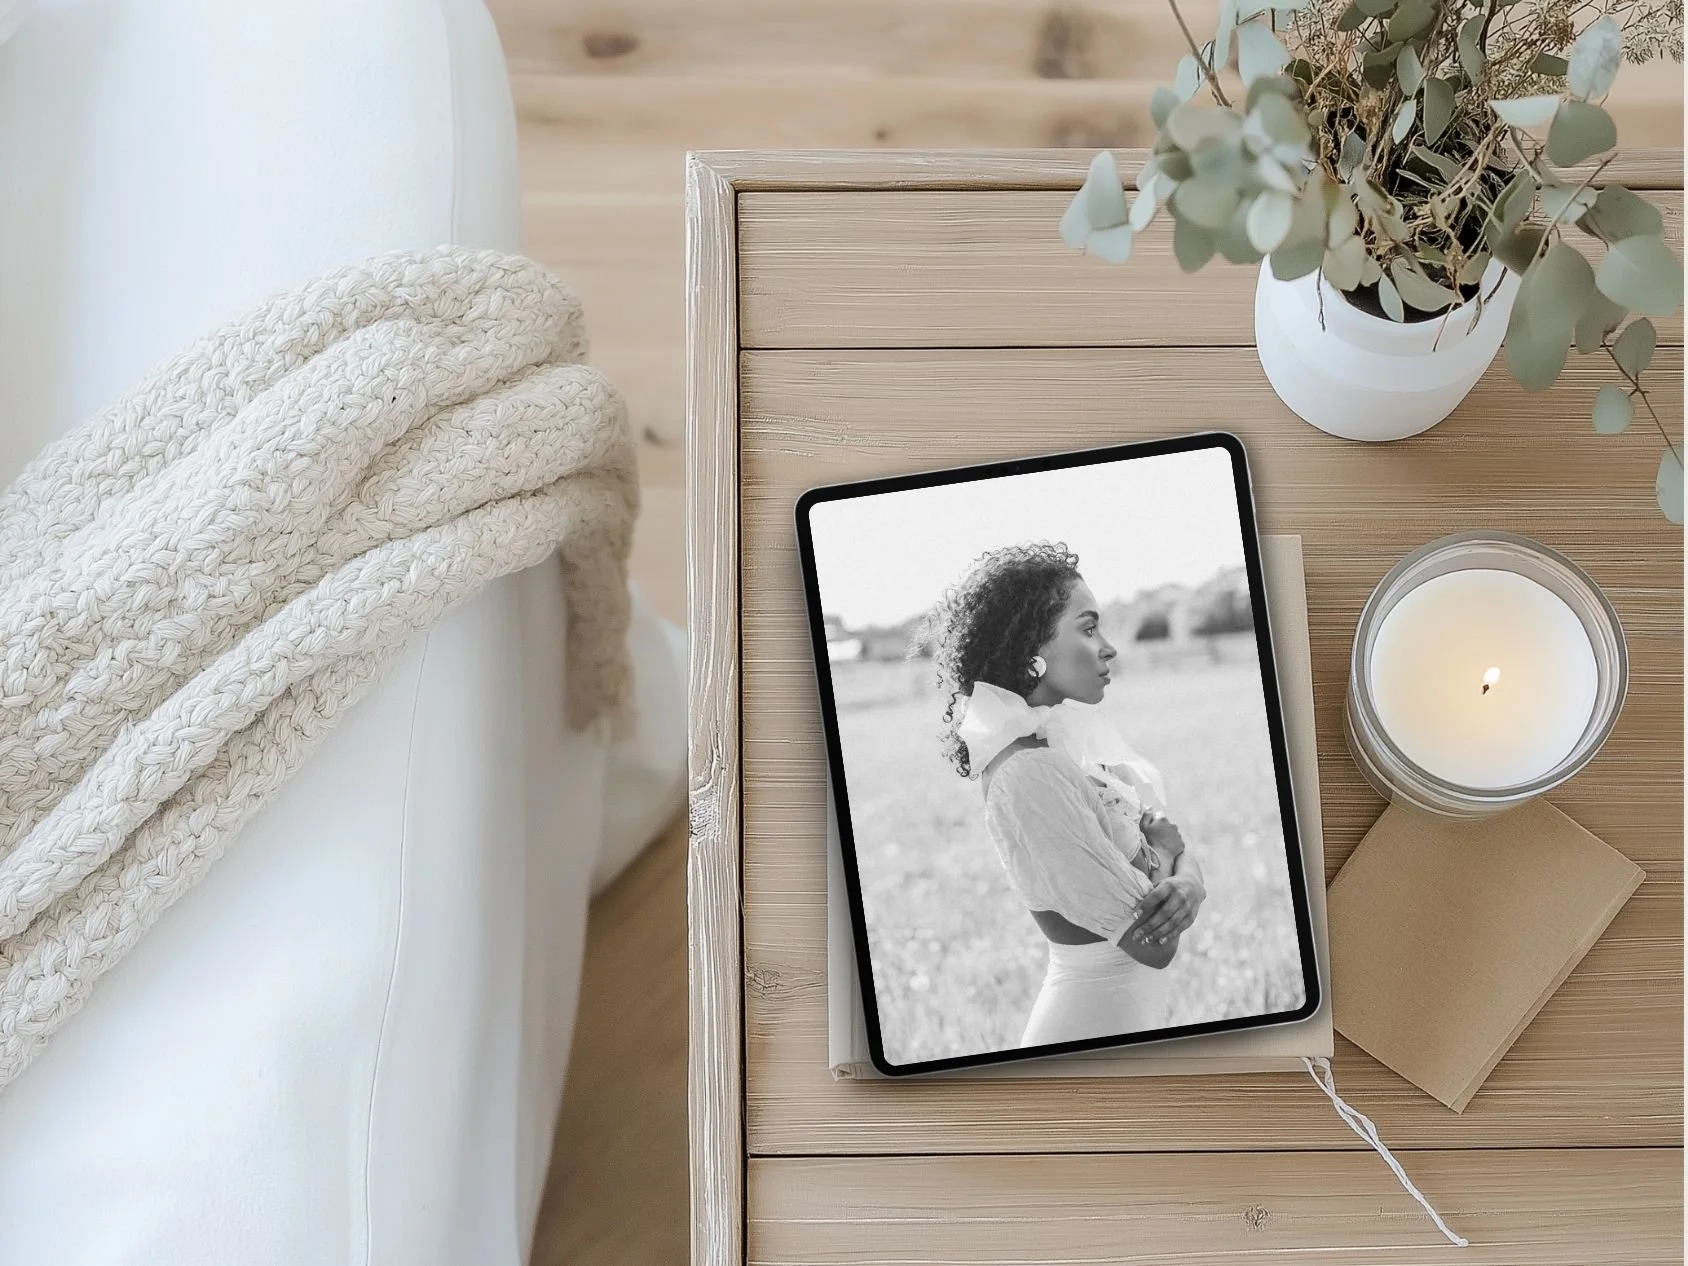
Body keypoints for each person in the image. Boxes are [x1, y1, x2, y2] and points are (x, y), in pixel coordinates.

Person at [930, 541, 1207, 1048]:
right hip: (1087, 1030)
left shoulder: (1056, 748)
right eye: (1088, 628)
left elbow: (1165, 849)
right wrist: (1175, 858)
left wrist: (1189, 881)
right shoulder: (1029, 774)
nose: (1108, 647)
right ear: (1032, 650)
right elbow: (1153, 944)